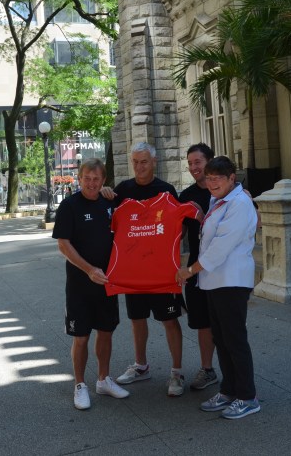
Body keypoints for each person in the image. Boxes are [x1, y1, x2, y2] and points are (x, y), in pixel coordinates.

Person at [175, 156, 261, 420]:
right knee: (221, 340)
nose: (212, 183)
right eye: (209, 178)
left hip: (231, 281)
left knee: (234, 340)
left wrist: (190, 270)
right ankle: (229, 390)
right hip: (215, 282)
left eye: (218, 179)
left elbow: (219, 248)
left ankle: (247, 397)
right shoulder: (219, 199)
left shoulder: (240, 203)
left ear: (232, 178)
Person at [101, 141, 187, 397]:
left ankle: (177, 372)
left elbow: (178, 229)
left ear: (154, 162)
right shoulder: (123, 190)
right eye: (135, 162)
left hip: (161, 273)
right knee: (137, 320)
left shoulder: (166, 190)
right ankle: (141, 366)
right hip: (134, 273)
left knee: (169, 320)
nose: (139, 167)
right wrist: (104, 193)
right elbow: (107, 217)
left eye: (144, 162)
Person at [52, 159, 129, 410]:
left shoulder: (110, 202)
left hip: (107, 282)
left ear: (103, 180)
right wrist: (89, 270)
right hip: (80, 285)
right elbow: (63, 244)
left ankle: (103, 380)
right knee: (81, 337)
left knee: (106, 331)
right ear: (79, 178)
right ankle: (80, 385)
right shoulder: (69, 206)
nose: (92, 183)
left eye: (97, 179)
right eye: (87, 178)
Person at [178, 143, 218, 390]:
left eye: (198, 162)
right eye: (190, 163)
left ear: (209, 161)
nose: (194, 167)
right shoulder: (186, 196)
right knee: (202, 322)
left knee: (225, 323)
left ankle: (235, 375)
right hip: (195, 267)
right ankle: (207, 369)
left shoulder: (227, 191)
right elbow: (178, 234)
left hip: (222, 269)